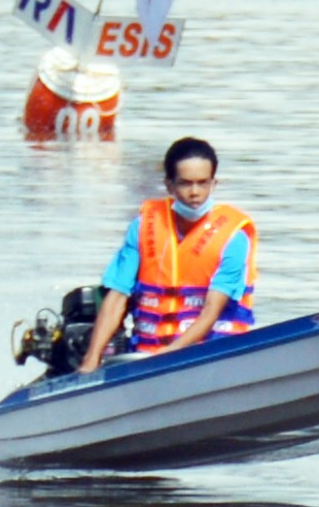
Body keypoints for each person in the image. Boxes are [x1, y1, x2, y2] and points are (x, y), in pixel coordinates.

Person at [76, 136, 259, 373]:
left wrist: (168, 357)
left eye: (203, 183)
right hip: (147, 356)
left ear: (214, 183)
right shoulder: (142, 228)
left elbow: (210, 313)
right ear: (169, 185)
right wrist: (91, 360)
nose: (195, 193)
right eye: (185, 183)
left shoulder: (233, 237)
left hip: (211, 354)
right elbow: (117, 297)